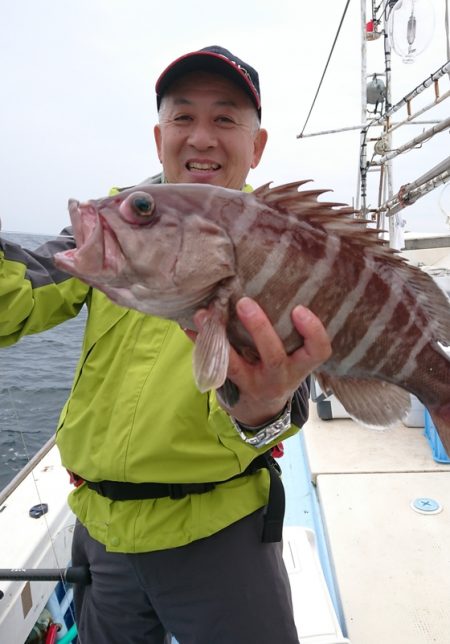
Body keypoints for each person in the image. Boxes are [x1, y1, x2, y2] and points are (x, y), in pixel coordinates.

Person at [0, 46, 331, 643]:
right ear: (160, 138)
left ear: (256, 147)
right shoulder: (113, 230)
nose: (201, 137)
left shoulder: (283, 244)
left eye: (225, 118)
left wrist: (263, 410)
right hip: (101, 531)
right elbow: (12, 304)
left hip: (220, 535)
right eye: (183, 118)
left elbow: (295, 390)